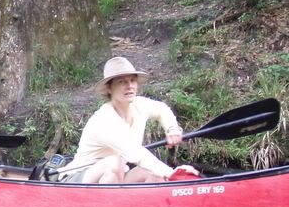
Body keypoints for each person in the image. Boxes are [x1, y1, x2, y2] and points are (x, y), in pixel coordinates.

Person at [63, 57, 199, 183]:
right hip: (79, 179)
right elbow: (136, 154)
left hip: (117, 177)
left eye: (132, 80)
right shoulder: (104, 119)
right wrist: (173, 174)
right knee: (115, 163)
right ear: (109, 88)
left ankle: (150, 206)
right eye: (122, 82)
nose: (129, 86)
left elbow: (162, 110)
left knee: (155, 174)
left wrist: (172, 129)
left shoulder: (140, 105)